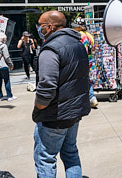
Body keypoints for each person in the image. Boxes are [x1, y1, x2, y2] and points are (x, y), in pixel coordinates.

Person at [33, 11, 91, 177]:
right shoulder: (78, 44)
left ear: (50, 27)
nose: (39, 28)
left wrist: (39, 107)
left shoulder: (50, 49)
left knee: (46, 158)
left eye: (40, 25)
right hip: (74, 112)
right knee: (71, 153)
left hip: (54, 115)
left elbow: (46, 86)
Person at [71, 17, 98, 108]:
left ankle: (88, 98)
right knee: (86, 79)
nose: (74, 28)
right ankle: (91, 98)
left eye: (75, 26)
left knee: (79, 80)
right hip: (89, 61)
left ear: (79, 27)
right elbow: (93, 48)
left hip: (80, 61)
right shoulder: (89, 35)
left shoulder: (79, 36)